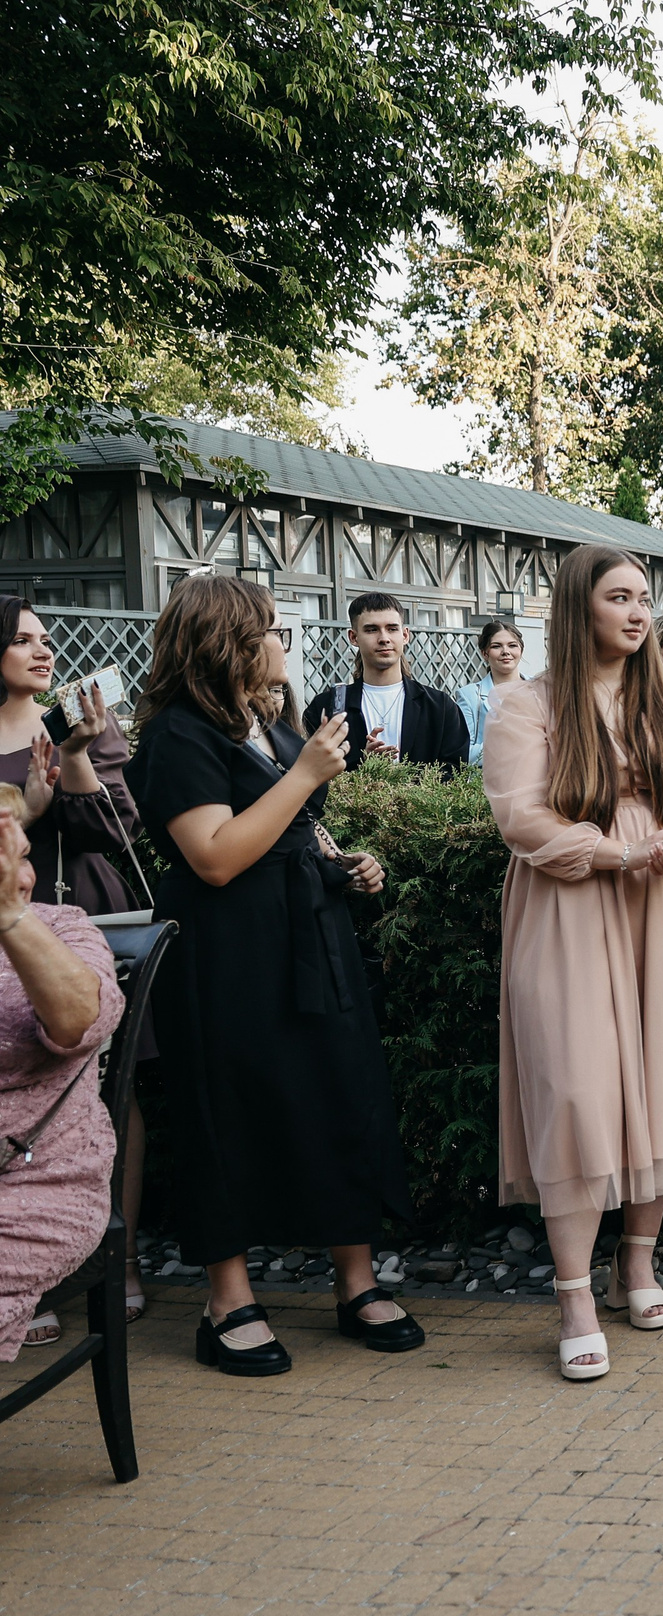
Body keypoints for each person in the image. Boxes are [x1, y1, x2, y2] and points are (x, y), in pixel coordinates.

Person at [128, 575, 421, 1376]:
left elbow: (293, 830)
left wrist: (343, 863)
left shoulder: (268, 724)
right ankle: (228, 1301)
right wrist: (308, 775)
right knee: (230, 1112)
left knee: (337, 1094)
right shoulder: (177, 736)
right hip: (226, 959)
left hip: (309, 943)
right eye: (272, 629)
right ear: (230, 642)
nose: (283, 643)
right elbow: (215, 855)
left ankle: (354, 1283)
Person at [482, 544, 663, 1380]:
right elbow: (520, 818)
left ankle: (636, 1260)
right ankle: (572, 1294)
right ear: (577, 607)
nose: (638, 612)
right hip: (571, 901)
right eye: (619, 598)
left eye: (644, 598)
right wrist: (623, 854)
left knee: (661, 1078)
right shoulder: (527, 703)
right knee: (579, 1088)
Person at [0, 598, 151, 1346]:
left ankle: (115, 1259)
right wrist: (26, 808)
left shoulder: (78, 720)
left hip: (88, 917)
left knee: (111, 1093)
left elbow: (117, 831)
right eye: (22, 639)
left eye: (46, 639)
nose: (41, 651)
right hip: (11, 928)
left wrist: (82, 754)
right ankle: (33, 1272)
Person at [0, 795, 127, 1365]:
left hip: (37, 1188)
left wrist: (10, 916)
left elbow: (80, 1021)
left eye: (22, 856)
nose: (22, 876)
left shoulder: (64, 928)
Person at [302, 592, 470, 773]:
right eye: (371, 629)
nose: (384, 638)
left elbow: (455, 772)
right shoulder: (327, 708)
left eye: (392, 628)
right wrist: (364, 767)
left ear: (405, 635)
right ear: (353, 637)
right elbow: (312, 773)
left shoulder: (440, 707)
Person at [457, 620, 524, 766]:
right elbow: (462, 752)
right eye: (496, 646)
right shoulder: (470, 695)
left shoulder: (540, 690)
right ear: (484, 653)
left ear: (521, 650)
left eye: (512, 645)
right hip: (487, 783)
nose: (505, 651)